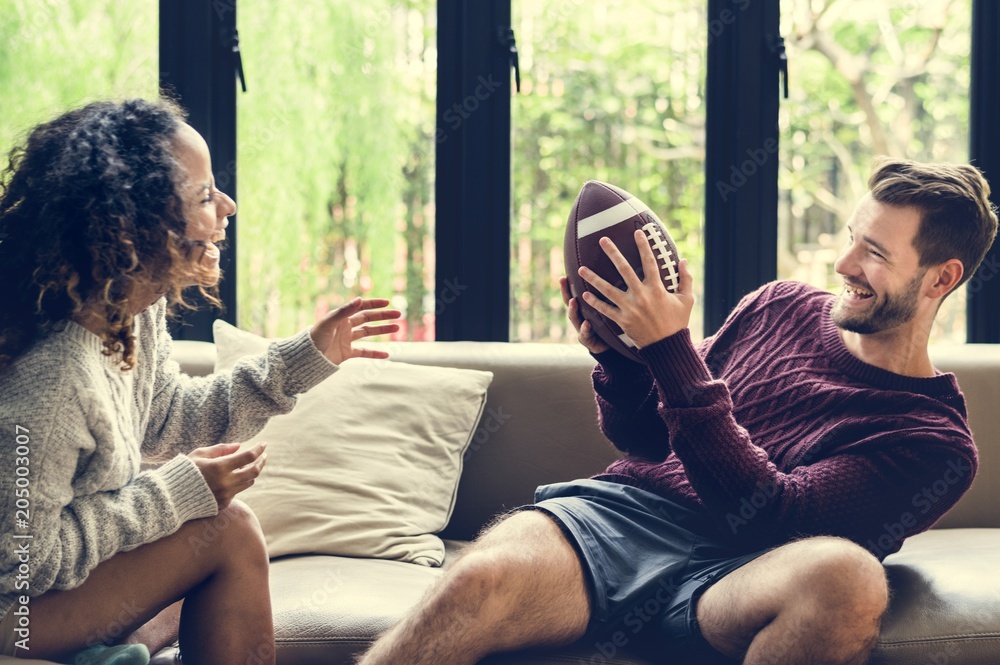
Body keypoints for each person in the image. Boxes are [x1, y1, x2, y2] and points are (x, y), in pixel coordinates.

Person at [358, 157, 998, 665]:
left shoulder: (934, 443)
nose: (844, 264)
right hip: (620, 524)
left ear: (940, 279)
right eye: (853, 239)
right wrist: (623, 358)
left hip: (741, 574)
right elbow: (645, 439)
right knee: (477, 581)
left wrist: (671, 350)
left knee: (849, 576)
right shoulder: (779, 305)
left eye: (876, 254)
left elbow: (772, 520)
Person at [0, 98, 401, 665]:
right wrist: (174, 494)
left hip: (46, 593)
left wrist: (305, 358)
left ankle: (107, 651)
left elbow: (166, 419)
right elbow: (24, 565)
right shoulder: (54, 379)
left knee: (200, 559)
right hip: (12, 615)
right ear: (133, 228)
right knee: (228, 530)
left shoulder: (130, 312)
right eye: (205, 197)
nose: (229, 206)